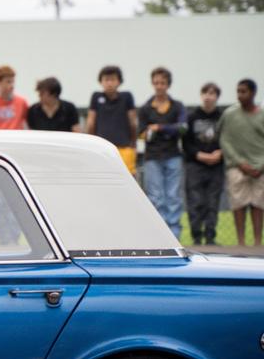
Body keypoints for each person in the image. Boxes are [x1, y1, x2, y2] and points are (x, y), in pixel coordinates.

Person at [137, 67, 187, 238]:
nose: (159, 86)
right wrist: (165, 130)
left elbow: (182, 128)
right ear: (152, 84)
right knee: (156, 198)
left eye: (163, 83)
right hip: (152, 158)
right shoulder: (145, 108)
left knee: (173, 197)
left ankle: (175, 235)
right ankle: (159, 236)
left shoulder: (177, 106)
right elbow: (141, 132)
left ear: (168, 85)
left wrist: (159, 127)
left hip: (173, 156)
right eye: (156, 83)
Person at [219, 78, 264, 246]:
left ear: (253, 93)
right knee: (238, 203)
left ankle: (258, 242)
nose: (239, 95)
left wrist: (260, 166)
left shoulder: (262, 115)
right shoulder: (229, 114)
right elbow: (224, 140)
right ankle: (241, 242)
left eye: (243, 92)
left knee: (258, 203)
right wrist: (240, 163)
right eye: (238, 91)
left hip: (260, 168)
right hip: (237, 167)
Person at [183, 82, 225, 245]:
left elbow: (227, 139)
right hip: (195, 165)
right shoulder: (191, 116)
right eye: (205, 93)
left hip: (216, 166)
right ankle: (196, 236)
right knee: (195, 202)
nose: (208, 97)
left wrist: (220, 153)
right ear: (201, 96)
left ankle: (210, 237)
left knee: (212, 202)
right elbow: (185, 142)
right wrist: (199, 155)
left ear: (217, 97)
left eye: (212, 94)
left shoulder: (222, 117)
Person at [86, 65, 139, 174]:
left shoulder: (127, 97)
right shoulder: (96, 97)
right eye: (106, 79)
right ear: (101, 81)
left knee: (127, 179)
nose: (109, 83)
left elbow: (133, 123)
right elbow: (90, 123)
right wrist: (91, 143)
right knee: (102, 178)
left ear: (119, 81)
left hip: (124, 148)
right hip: (101, 149)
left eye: (113, 79)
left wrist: (133, 143)